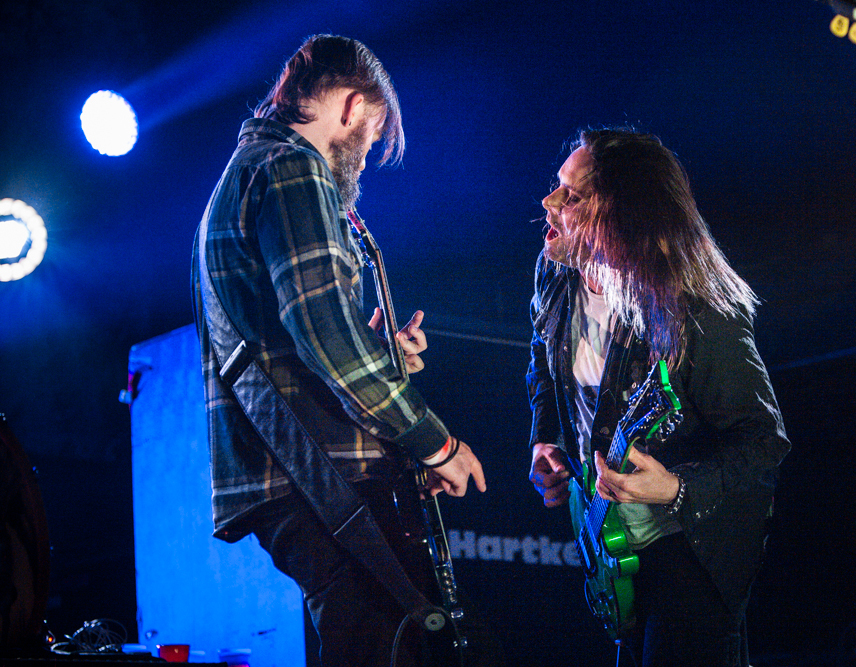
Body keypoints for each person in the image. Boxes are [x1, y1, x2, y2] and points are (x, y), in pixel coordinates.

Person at [192, 35, 486, 667]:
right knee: (392, 643)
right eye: (373, 138)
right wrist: (435, 443)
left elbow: (297, 338)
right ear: (353, 107)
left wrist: (374, 351)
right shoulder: (293, 167)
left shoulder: (243, 175)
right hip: (324, 471)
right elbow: (328, 341)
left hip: (289, 468)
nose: (366, 158)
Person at [527, 128, 790, 666]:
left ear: (623, 216)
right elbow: (543, 364)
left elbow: (762, 442)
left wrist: (675, 487)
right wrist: (546, 440)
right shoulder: (555, 275)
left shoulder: (696, 306)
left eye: (572, 197)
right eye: (558, 186)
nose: (549, 202)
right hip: (615, 549)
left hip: (688, 551)